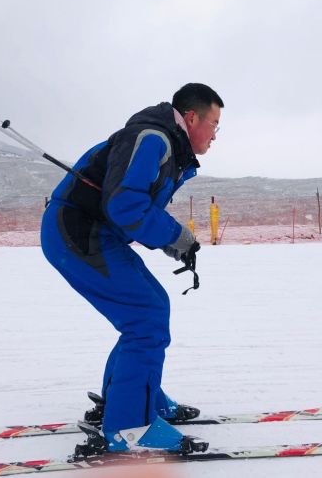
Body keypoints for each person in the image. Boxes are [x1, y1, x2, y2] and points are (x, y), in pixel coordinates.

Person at [40, 83, 224, 454]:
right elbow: (125, 205)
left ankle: (130, 399)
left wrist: (174, 240)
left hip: (91, 232)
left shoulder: (165, 143)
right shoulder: (154, 139)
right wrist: (176, 235)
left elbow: (130, 206)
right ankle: (129, 426)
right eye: (214, 123)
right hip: (78, 232)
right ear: (191, 118)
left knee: (149, 308)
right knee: (146, 315)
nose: (216, 135)